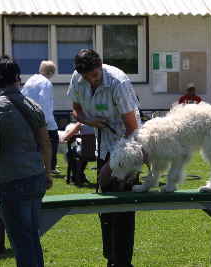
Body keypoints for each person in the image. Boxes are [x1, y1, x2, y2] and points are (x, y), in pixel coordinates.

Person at [0, 55, 52, 267]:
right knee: (32, 237)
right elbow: (45, 143)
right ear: (18, 77)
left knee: (21, 241)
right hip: (36, 177)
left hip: (12, 181)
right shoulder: (33, 106)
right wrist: (47, 173)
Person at [67, 49, 141, 267]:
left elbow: (133, 129)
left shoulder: (119, 82)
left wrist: (114, 163)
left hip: (127, 147)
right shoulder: (77, 79)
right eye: (87, 77)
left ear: (101, 66)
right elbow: (76, 111)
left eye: (95, 75)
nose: (91, 80)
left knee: (123, 211)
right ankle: (111, 259)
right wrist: (90, 122)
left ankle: (123, 263)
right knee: (106, 209)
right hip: (104, 145)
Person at [21, 60, 60, 174]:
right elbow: (45, 102)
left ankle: (37, 164)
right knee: (53, 140)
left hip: (28, 116)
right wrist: (46, 121)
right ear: (51, 72)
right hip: (42, 117)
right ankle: (51, 166)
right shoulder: (46, 83)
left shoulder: (31, 80)